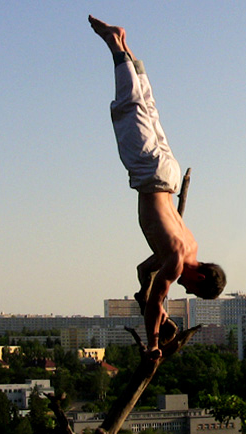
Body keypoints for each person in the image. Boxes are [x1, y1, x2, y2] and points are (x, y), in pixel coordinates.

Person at [90, 15, 226, 359]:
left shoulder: (188, 246)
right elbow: (155, 301)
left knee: (148, 108)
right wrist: (152, 343)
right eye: (193, 292)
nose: (186, 291)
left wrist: (146, 293)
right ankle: (115, 45)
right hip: (150, 175)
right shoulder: (178, 261)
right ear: (199, 279)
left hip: (168, 175)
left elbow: (144, 273)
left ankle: (126, 48)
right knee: (128, 108)